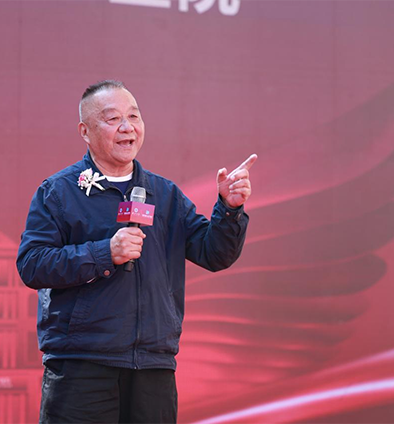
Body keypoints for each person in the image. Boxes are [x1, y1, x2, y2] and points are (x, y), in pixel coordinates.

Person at [16, 80, 256, 424]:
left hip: (152, 367)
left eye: (134, 116)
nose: (127, 127)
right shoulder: (58, 192)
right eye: (112, 119)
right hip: (82, 365)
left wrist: (229, 209)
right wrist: (105, 253)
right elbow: (32, 264)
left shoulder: (164, 194)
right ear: (85, 132)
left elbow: (214, 253)